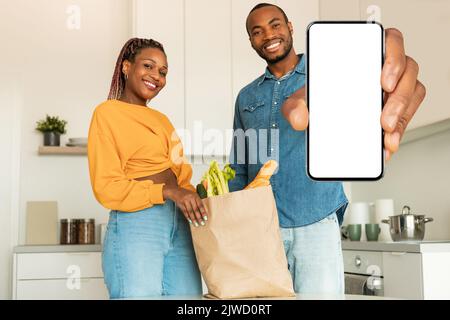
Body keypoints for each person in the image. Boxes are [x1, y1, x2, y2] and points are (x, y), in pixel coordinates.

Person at [229, 3, 425, 294]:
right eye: (257, 32)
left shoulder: (334, 68)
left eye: (275, 25)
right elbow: (240, 164)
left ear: (290, 27)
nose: (268, 35)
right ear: (251, 41)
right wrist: (234, 220)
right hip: (261, 229)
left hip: (317, 221)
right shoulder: (247, 96)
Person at [87, 38, 208, 299]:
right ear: (126, 67)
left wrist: (194, 196)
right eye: (148, 66)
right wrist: (167, 192)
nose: (156, 76)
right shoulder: (107, 113)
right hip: (139, 221)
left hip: (179, 222)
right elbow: (107, 187)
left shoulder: (162, 120)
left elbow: (181, 174)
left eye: (163, 72)